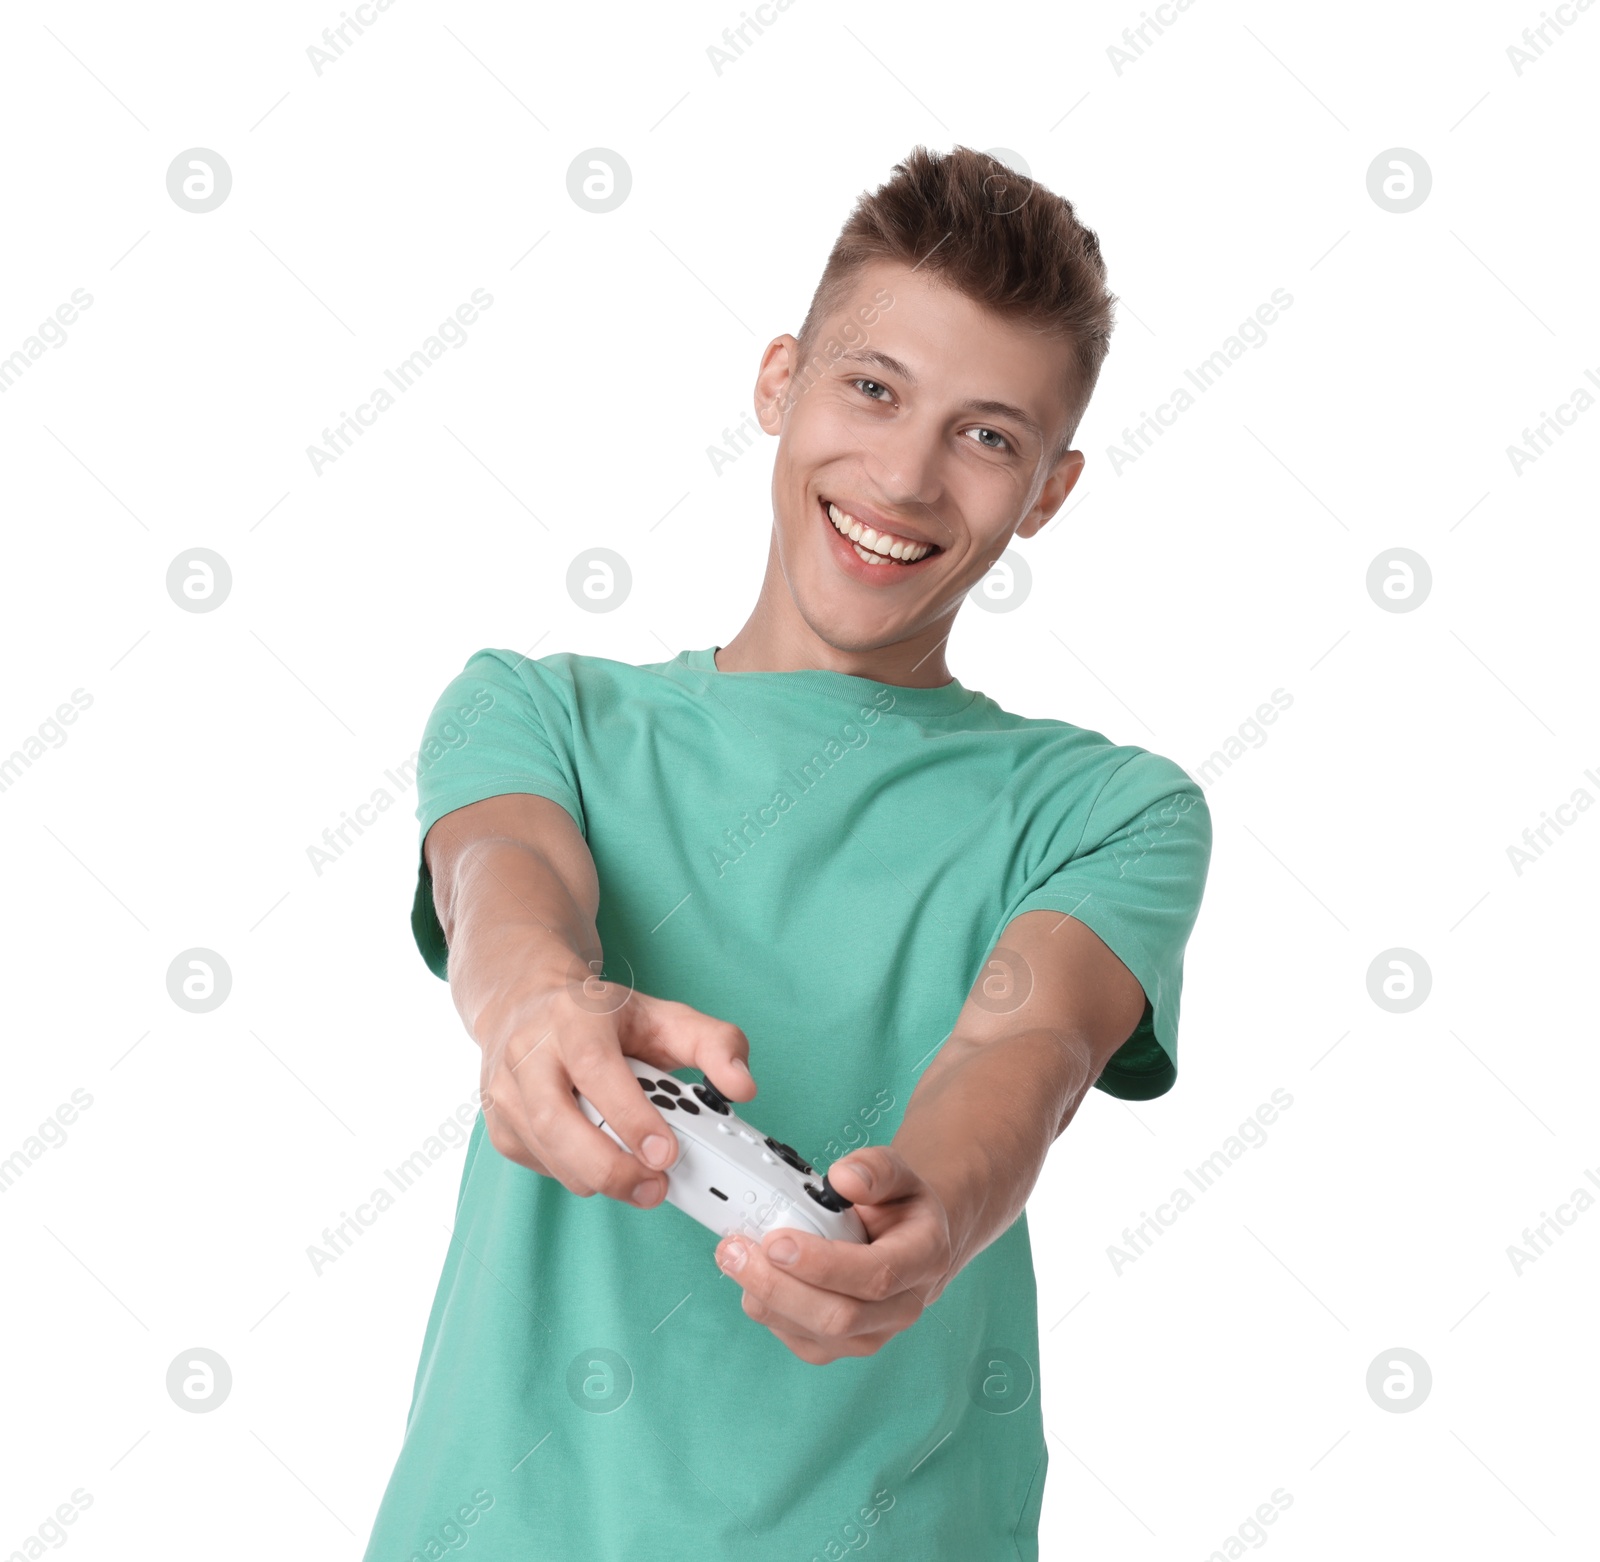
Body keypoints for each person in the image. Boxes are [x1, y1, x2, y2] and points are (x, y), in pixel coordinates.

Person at [362, 144, 1212, 1562]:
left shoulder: (1108, 808)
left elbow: (1029, 1052)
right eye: (872, 389)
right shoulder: (536, 708)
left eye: (987, 435)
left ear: (1049, 493)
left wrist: (927, 1213)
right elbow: (502, 884)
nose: (903, 475)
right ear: (779, 383)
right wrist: (534, 1008)